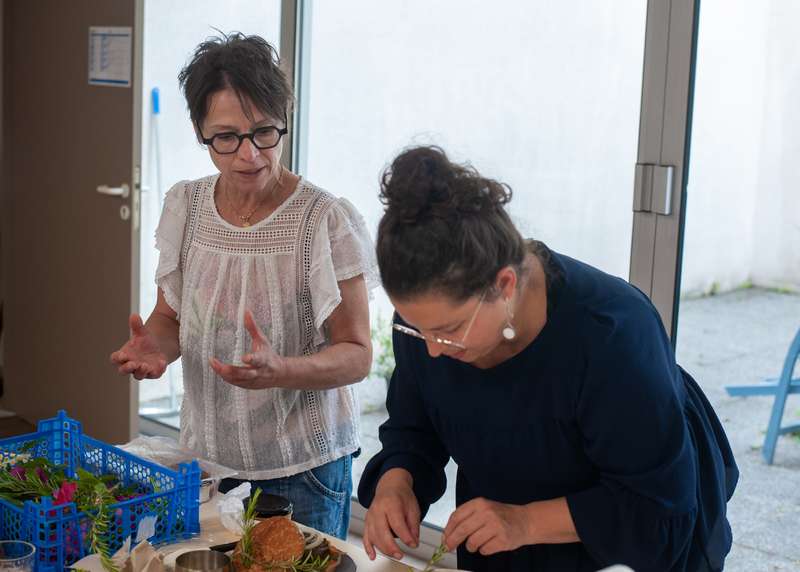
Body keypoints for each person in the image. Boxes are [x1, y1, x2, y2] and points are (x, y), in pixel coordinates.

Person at [357, 146, 739, 571]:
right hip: (501, 546)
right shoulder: (429, 321)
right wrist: (397, 481)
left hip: (617, 553)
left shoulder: (612, 336)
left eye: (447, 331)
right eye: (414, 327)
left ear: (503, 286)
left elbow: (658, 513)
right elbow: (414, 430)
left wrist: (524, 521)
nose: (429, 349)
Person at [110, 33, 378, 539]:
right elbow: (169, 321)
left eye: (263, 132)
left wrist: (283, 370)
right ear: (200, 131)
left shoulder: (325, 220)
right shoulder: (186, 208)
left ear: (284, 121)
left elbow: (357, 354)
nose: (248, 154)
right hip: (208, 461)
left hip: (303, 470)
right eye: (226, 136)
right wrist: (155, 347)